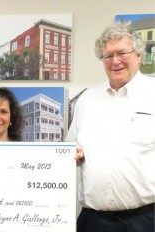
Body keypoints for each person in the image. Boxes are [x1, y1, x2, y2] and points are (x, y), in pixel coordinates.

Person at [66, 21, 155, 232]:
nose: (115, 61)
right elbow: (70, 151)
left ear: (139, 55)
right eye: (108, 56)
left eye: (122, 53)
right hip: (94, 221)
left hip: (145, 220)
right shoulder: (87, 100)